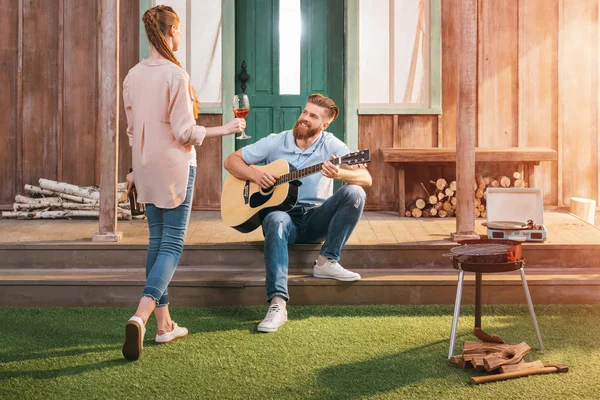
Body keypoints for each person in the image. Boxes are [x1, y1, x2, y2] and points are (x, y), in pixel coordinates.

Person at [121, 5, 245, 361]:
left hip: (145, 165)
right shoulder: (176, 76)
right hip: (175, 166)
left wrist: (134, 170)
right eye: (179, 31)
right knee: (172, 245)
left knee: (157, 241)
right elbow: (184, 132)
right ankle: (140, 316)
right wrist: (227, 128)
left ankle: (164, 326)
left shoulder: (132, 76)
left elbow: (133, 131)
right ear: (172, 31)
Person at [224, 94, 372, 333]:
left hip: (316, 218)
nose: (304, 118)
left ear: (324, 125)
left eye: (313, 116)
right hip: (284, 220)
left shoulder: (332, 145)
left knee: (355, 192)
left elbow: (366, 178)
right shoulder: (276, 141)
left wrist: (340, 175)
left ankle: (327, 260)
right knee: (273, 218)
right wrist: (255, 175)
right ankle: (278, 303)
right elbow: (231, 160)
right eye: (305, 112)